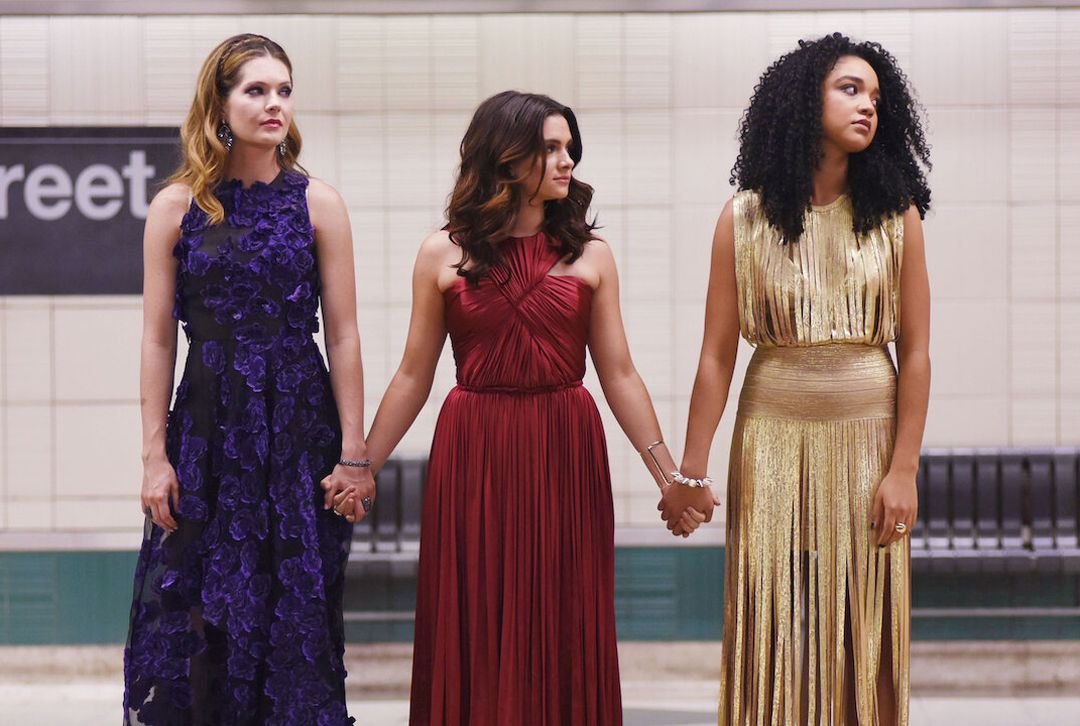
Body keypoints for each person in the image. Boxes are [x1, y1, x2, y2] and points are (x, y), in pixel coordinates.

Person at [334, 90, 693, 725]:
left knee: (565, 611)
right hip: (475, 450)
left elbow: (622, 376)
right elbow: (414, 375)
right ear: (507, 157)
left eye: (569, 148)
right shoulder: (440, 253)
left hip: (564, 445)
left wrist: (672, 480)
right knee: (475, 609)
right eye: (550, 148)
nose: (567, 161)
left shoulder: (592, 255)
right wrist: (360, 462)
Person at [662, 33, 932, 726]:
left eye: (876, 96)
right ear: (801, 99)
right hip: (771, 438)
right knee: (775, 613)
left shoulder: (897, 217)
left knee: (860, 613)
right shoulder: (742, 218)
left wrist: (904, 468)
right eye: (850, 88)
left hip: (870, 440)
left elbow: (919, 353)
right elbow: (716, 357)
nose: (868, 105)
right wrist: (690, 474)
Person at [123, 33, 373, 725]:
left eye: (283, 91)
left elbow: (346, 334)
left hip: (298, 426)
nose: (274, 105)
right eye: (256, 90)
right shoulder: (177, 207)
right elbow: (154, 337)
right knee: (206, 607)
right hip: (208, 425)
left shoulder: (319, 203)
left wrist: (355, 451)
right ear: (219, 103)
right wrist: (154, 456)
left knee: (298, 608)